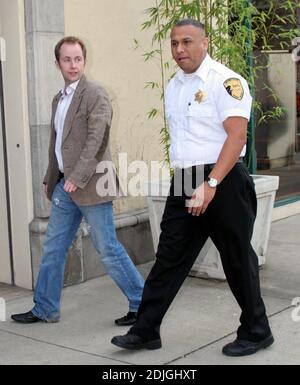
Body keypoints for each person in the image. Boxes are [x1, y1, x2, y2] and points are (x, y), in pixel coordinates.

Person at [111, 19, 274, 356]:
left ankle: (257, 331)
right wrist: (189, 184)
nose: (179, 49)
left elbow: (237, 136)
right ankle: (146, 331)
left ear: (205, 42)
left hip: (222, 178)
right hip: (185, 178)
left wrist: (211, 183)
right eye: (174, 43)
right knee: (168, 257)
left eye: (187, 41)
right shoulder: (174, 85)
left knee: (237, 258)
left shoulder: (227, 82)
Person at [11, 36, 144, 326]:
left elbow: (98, 139)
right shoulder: (59, 99)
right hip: (64, 187)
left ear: (84, 61)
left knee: (107, 247)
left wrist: (77, 176)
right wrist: (52, 178)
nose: (73, 65)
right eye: (67, 59)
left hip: (92, 184)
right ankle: (45, 308)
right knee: (53, 248)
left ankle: (142, 304)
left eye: (78, 59)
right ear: (57, 62)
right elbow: (57, 143)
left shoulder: (95, 94)